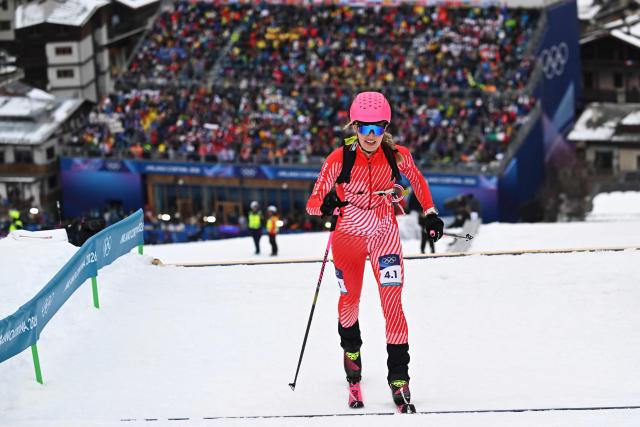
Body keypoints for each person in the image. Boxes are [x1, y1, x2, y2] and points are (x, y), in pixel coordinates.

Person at [306, 91, 444, 411]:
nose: (370, 136)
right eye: (364, 128)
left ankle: (399, 379)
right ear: (353, 127)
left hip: (384, 230)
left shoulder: (396, 155)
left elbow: (419, 182)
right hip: (349, 234)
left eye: (378, 128)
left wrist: (431, 213)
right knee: (350, 301)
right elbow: (313, 203)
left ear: (386, 128)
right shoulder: (338, 159)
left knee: (393, 303)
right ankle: (351, 352)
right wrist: (326, 204)